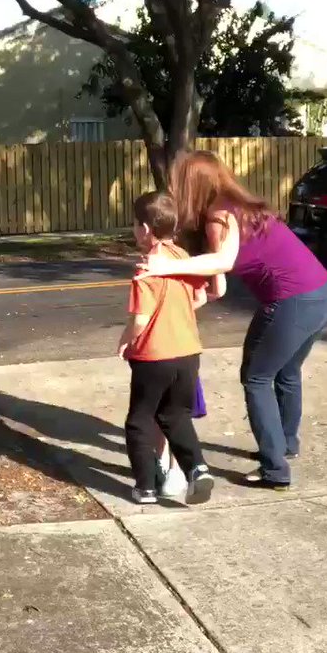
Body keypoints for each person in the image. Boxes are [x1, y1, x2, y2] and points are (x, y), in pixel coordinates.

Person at [139, 151, 327, 489]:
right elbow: (219, 280)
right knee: (286, 372)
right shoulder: (238, 207)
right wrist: (194, 298)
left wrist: (166, 267)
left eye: (177, 181)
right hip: (322, 294)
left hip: (293, 301)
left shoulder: (219, 214)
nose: (172, 187)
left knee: (256, 378)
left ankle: (274, 470)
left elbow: (223, 260)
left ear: (193, 183)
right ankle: (285, 443)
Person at [118, 190, 214, 506]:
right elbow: (199, 297)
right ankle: (197, 469)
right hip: (188, 352)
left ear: (145, 229)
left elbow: (141, 320)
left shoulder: (147, 267)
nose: (133, 230)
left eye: (134, 224)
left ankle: (145, 487)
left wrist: (125, 339)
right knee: (175, 415)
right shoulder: (183, 258)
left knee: (140, 419)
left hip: (154, 356)